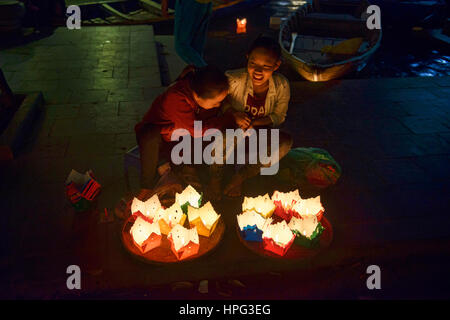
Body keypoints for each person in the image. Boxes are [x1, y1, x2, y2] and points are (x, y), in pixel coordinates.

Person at [210, 36, 293, 198]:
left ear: (276, 65)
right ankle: (215, 179)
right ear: (247, 57)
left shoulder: (282, 85)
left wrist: (254, 123)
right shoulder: (233, 79)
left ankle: (240, 177)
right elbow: (218, 101)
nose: (258, 71)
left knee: (284, 142)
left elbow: (279, 116)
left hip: (257, 137)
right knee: (229, 137)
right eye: (253, 64)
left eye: (266, 66)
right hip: (230, 135)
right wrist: (234, 114)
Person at [135, 65, 231, 191]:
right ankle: (146, 188)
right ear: (197, 96)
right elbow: (197, 130)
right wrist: (228, 118)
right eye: (215, 102)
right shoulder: (176, 98)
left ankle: (186, 168)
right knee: (200, 132)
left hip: (178, 135)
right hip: (157, 137)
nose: (218, 105)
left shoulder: (197, 89)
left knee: (205, 133)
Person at [162, 0, 212, 67]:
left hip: (189, 3)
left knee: (182, 45)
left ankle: (205, 71)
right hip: (205, 4)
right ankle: (201, 73)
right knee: (196, 48)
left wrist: (165, 3)